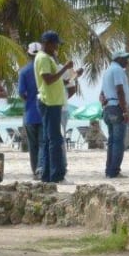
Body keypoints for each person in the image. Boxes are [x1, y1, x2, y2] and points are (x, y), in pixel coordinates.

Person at [35, 31, 77, 183]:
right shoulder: (44, 58)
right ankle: (57, 176)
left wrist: (69, 76)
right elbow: (48, 79)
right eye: (55, 44)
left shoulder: (47, 58)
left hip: (52, 102)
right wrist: (65, 67)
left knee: (49, 140)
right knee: (56, 140)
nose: (57, 47)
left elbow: (55, 80)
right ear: (47, 43)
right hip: (50, 102)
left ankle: (47, 175)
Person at [100, 50, 129, 178]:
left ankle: (109, 169)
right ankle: (114, 171)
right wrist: (125, 111)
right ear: (118, 59)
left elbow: (101, 94)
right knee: (118, 142)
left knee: (112, 141)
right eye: (125, 58)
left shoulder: (107, 71)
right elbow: (120, 90)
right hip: (117, 108)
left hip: (108, 108)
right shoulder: (118, 70)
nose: (127, 61)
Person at [18, 41, 45, 179]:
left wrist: (29, 99)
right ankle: (40, 169)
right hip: (43, 112)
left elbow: (22, 93)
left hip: (29, 113)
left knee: (33, 146)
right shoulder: (44, 70)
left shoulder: (24, 71)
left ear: (28, 54)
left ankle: (35, 171)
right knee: (42, 143)